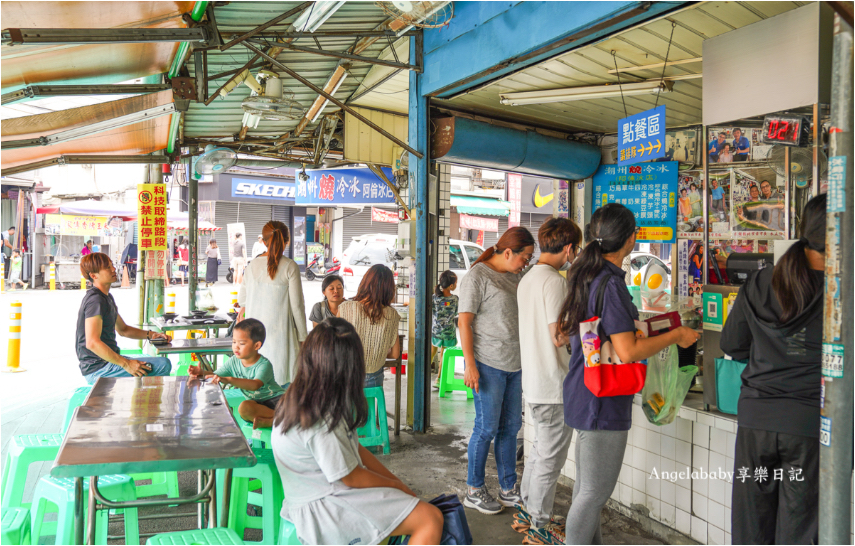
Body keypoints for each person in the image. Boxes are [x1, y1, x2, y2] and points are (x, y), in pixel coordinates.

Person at [557, 204, 699, 544]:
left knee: (588, 490)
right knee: (593, 493)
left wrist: (653, 328)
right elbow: (628, 351)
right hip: (601, 399)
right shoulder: (610, 284)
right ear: (631, 239)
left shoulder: (587, 273)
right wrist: (677, 336)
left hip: (585, 390)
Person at [270, 318, 443, 545]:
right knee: (430, 518)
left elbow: (357, 450)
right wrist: (394, 486)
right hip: (327, 508)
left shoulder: (302, 396)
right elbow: (349, 475)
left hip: (320, 496)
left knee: (408, 508)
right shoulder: (321, 417)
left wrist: (397, 482)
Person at [721, 193, 827, 545]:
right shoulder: (842, 291)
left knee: (752, 527)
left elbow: (732, 345)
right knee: (799, 530)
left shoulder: (761, 281)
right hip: (809, 427)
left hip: (756, 424)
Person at [458, 226, 536, 515]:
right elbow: (464, 322)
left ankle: (508, 488)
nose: (526, 262)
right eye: (524, 257)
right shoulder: (478, 276)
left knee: (510, 428)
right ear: (507, 252)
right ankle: (474, 489)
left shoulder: (518, 276)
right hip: (488, 364)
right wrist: (470, 365)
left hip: (515, 364)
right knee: (486, 427)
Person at [515, 218, 582, 544]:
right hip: (554, 385)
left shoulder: (528, 278)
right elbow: (559, 336)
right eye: (576, 248)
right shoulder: (554, 282)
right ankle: (540, 527)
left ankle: (528, 514)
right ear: (568, 248)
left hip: (535, 382)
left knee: (539, 454)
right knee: (549, 462)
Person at [76, 252, 172, 384]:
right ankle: (147, 403)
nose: (113, 269)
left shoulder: (106, 297)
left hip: (106, 363)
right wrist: (126, 364)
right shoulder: (95, 301)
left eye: (112, 265)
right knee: (163, 364)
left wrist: (151, 335)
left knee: (155, 362)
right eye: (107, 267)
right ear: (93, 276)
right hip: (98, 368)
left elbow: (123, 329)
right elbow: (92, 343)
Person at [238, 221, 307, 386]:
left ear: (263, 240)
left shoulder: (252, 265)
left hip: (256, 341)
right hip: (283, 341)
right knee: (284, 389)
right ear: (287, 241)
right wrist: (304, 337)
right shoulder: (290, 267)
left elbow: (243, 301)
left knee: (260, 389)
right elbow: (297, 306)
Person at [189, 318, 284, 429]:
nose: (236, 346)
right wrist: (201, 373)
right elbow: (216, 375)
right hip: (257, 404)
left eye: (242, 343)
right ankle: (279, 419)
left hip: (277, 399)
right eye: (234, 342)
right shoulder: (234, 361)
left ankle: (277, 420)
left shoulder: (264, 364)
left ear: (256, 346)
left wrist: (229, 379)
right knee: (243, 408)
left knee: (302, 408)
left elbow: (254, 385)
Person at [338, 264, 401, 388]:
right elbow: (395, 354)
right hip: (373, 379)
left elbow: (335, 346)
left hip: (347, 377)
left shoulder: (345, 308)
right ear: (389, 289)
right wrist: (380, 353)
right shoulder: (392, 315)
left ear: (365, 283)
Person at [431, 270, 458, 389]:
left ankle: (423, 375)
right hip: (449, 333)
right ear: (451, 285)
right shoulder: (455, 299)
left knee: (431, 353)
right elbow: (456, 312)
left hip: (436, 331)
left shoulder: (435, 298)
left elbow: (432, 311)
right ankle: (439, 379)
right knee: (444, 354)